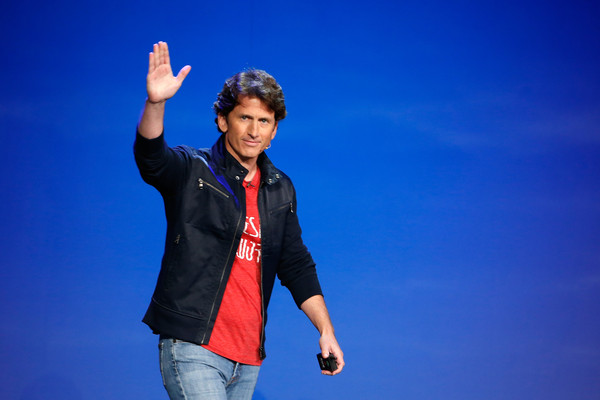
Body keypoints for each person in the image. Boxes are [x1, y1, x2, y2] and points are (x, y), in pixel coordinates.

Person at [134, 41, 344, 399]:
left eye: (264, 121)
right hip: (194, 346)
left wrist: (326, 330)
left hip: (247, 358)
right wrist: (156, 103)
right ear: (223, 120)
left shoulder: (279, 189)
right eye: (244, 117)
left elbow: (295, 263)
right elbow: (152, 160)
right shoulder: (194, 170)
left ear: (274, 131)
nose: (254, 131)